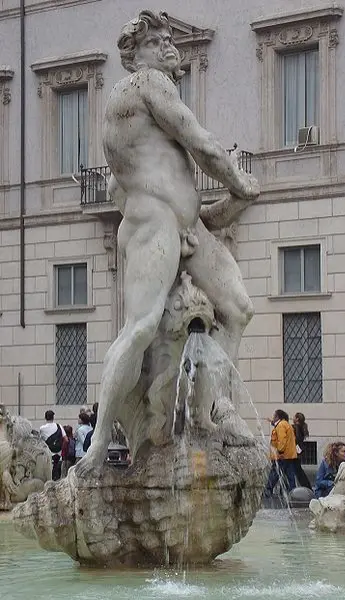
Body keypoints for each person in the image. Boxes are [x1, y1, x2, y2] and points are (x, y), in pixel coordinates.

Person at [76, 10, 260, 476]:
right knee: (140, 328)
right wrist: (237, 179)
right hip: (152, 220)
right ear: (133, 54)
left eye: (167, 41)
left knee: (238, 307)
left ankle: (213, 408)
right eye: (155, 42)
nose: (166, 48)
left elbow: (200, 193)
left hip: (187, 225)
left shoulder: (153, 93)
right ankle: (98, 443)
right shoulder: (142, 85)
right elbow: (199, 142)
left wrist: (233, 202)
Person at [264, 409, 297, 498]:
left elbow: (282, 440)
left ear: (278, 417)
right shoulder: (285, 424)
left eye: (274, 415)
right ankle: (293, 493)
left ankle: (268, 490)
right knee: (290, 476)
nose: (273, 417)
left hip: (282, 455)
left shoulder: (281, 425)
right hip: (289, 455)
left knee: (275, 473)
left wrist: (280, 451)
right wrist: (271, 422)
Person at [39, 410, 67, 480]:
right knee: (58, 472)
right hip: (59, 453)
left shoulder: (42, 429)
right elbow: (66, 439)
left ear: (45, 417)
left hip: (49, 453)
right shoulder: (59, 426)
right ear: (53, 417)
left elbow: (40, 441)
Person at [292, 412, 312, 489]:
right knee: (297, 471)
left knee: (297, 471)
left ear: (297, 419)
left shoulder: (295, 427)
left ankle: (306, 487)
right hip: (298, 452)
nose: (292, 418)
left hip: (294, 452)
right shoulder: (301, 427)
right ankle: (306, 487)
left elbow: (295, 439)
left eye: (294, 417)